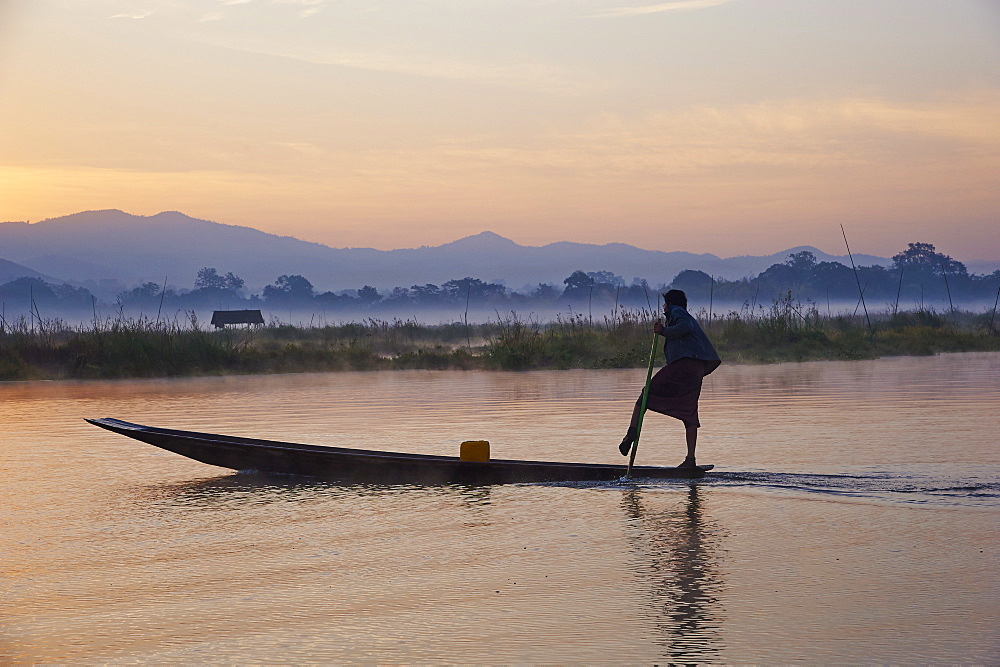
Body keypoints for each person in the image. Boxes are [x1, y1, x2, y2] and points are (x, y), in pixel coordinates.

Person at [619, 289, 721, 468]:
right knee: (689, 413)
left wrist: (664, 331)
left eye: (665, 304)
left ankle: (631, 433)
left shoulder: (677, 311)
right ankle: (690, 460)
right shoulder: (680, 313)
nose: (664, 307)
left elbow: (685, 327)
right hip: (695, 369)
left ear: (671, 304)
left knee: (645, 395)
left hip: (683, 366)